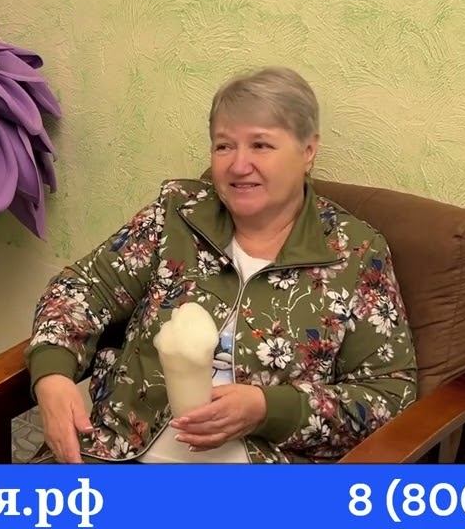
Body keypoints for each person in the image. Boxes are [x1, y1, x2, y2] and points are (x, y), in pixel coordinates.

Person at [25, 66, 417, 463]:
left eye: (261, 145)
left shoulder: (354, 252)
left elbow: (388, 396)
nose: (239, 165)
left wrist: (269, 409)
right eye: (224, 146)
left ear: (308, 151)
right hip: (117, 455)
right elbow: (80, 289)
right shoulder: (177, 215)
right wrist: (52, 373)